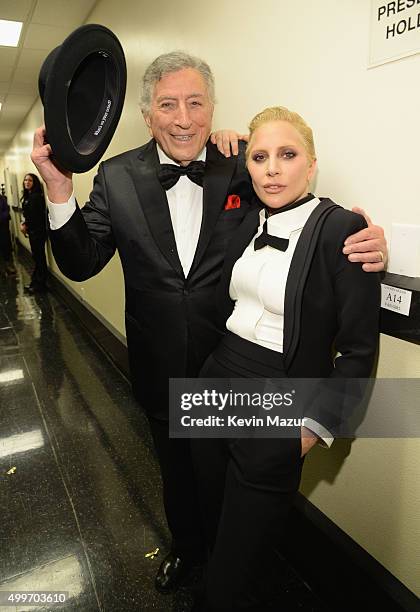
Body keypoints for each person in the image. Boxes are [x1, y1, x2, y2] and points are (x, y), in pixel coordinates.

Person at [30, 51, 386, 595]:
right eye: (168, 104)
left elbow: (296, 203)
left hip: (237, 368)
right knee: (177, 475)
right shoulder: (117, 176)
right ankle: (189, 549)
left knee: (235, 500)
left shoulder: (240, 160)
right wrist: (58, 189)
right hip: (162, 364)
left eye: (196, 103)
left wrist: (367, 239)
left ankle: (229, 562)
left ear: (213, 107)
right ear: (147, 115)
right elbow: (79, 262)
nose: (183, 118)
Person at [191, 106, 381, 612]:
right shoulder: (244, 220)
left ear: (311, 164)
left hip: (277, 394)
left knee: (239, 553)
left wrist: (313, 428)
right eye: (260, 157)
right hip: (216, 378)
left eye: (287, 154)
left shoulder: (343, 229)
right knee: (212, 517)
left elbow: (359, 349)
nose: (272, 168)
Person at [20, 173, 48, 293]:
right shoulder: (28, 196)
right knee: (37, 257)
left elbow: (35, 217)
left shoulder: (36, 197)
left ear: (34, 182)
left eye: (30, 180)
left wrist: (26, 225)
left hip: (38, 232)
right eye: (25, 180)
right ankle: (36, 281)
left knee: (39, 258)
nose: (27, 182)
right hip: (33, 232)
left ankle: (40, 284)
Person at [0, 186, 16, 276]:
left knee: (5, 247)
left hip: (3, 228)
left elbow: (6, 211)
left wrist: (2, 217)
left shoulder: (2, 199)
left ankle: (7, 266)